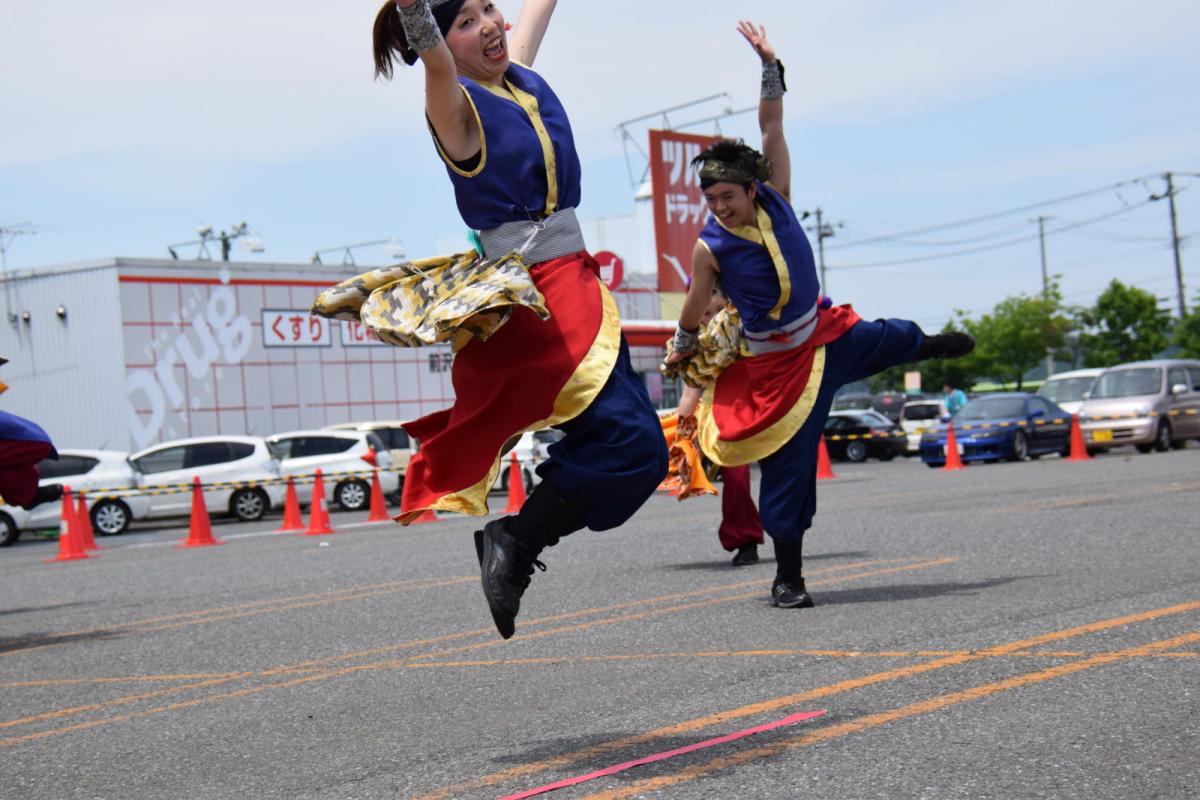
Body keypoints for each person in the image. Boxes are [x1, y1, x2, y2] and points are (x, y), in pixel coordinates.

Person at [359, 0, 667, 639]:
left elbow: (538, 10)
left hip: (576, 284)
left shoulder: (518, 77)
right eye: (466, 22)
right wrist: (420, 20)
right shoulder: (456, 107)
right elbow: (438, 66)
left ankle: (516, 540)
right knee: (634, 448)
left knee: (636, 451)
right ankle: (516, 542)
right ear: (438, 43)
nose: (490, 25)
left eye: (488, 8)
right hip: (539, 301)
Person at [665, 21, 973, 609]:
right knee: (789, 472)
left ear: (752, 189)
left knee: (889, 337)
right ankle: (789, 578)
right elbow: (695, 301)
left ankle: (930, 345)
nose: (719, 208)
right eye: (710, 201)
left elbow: (771, 124)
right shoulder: (710, 246)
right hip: (778, 370)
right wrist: (683, 340)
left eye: (727, 196)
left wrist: (768, 65)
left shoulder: (776, 196)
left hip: (826, 337)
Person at [674, 288, 763, 567]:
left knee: (787, 474)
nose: (710, 316)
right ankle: (745, 540)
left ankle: (792, 524)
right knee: (736, 480)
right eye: (703, 313)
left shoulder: (746, 328)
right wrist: (679, 436)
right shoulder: (696, 344)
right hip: (726, 417)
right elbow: (690, 393)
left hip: (764, 404)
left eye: (715, 309)